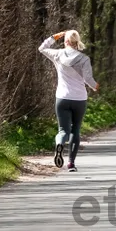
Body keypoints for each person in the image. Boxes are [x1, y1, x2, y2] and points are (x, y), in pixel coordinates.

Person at [38, 30, 98, 171]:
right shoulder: (83, 58)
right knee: (75, 130)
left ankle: (59, 144)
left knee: (63, 130)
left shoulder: (57, 54)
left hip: (62, 98)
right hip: (79, 99)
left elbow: (41, 48)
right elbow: (88, 79)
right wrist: (95, 86)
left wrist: (55, 36)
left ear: (65, 41)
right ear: (77, 42)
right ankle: (71, 163)